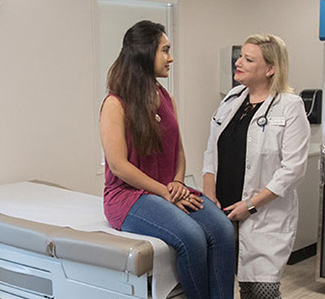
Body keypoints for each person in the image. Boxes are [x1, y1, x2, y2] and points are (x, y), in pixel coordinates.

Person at [100, 20, 235, 299]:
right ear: (145, 52)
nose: (170, 58)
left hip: (168, 189)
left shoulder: (165, 97)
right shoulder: (115, 104)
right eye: (165, 50)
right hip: (128, 197)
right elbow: (118, 165)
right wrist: (165, 192)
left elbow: (179, 151)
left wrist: (176, 182)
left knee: (222, 229)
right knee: (192, 237)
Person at [202, 34, 310, 299]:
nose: (238, 63)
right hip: (222, 211)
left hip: (261, 216)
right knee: (226, 284)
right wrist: (208, 195)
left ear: (270, 68)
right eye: (241, 56)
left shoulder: (290, 106)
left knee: (260, 290)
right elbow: (210, 152)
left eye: (248, 59)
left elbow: (292, 169)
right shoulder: (232, 98)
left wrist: (250, 205)